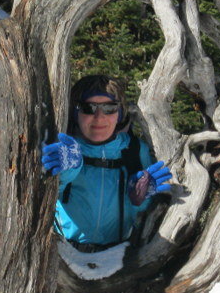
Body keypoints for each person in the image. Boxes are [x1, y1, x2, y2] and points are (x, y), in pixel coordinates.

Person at [41, 75, 173, 251]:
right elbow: (44, 196)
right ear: (75, 111)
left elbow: (144, 213)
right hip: (63, 252)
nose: (99, 117)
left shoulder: (134, 149)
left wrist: (140, 199)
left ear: (119, 113)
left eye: (109, 108)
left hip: (117, 255)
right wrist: (69, 169)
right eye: (89, 108)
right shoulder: (61, 147)